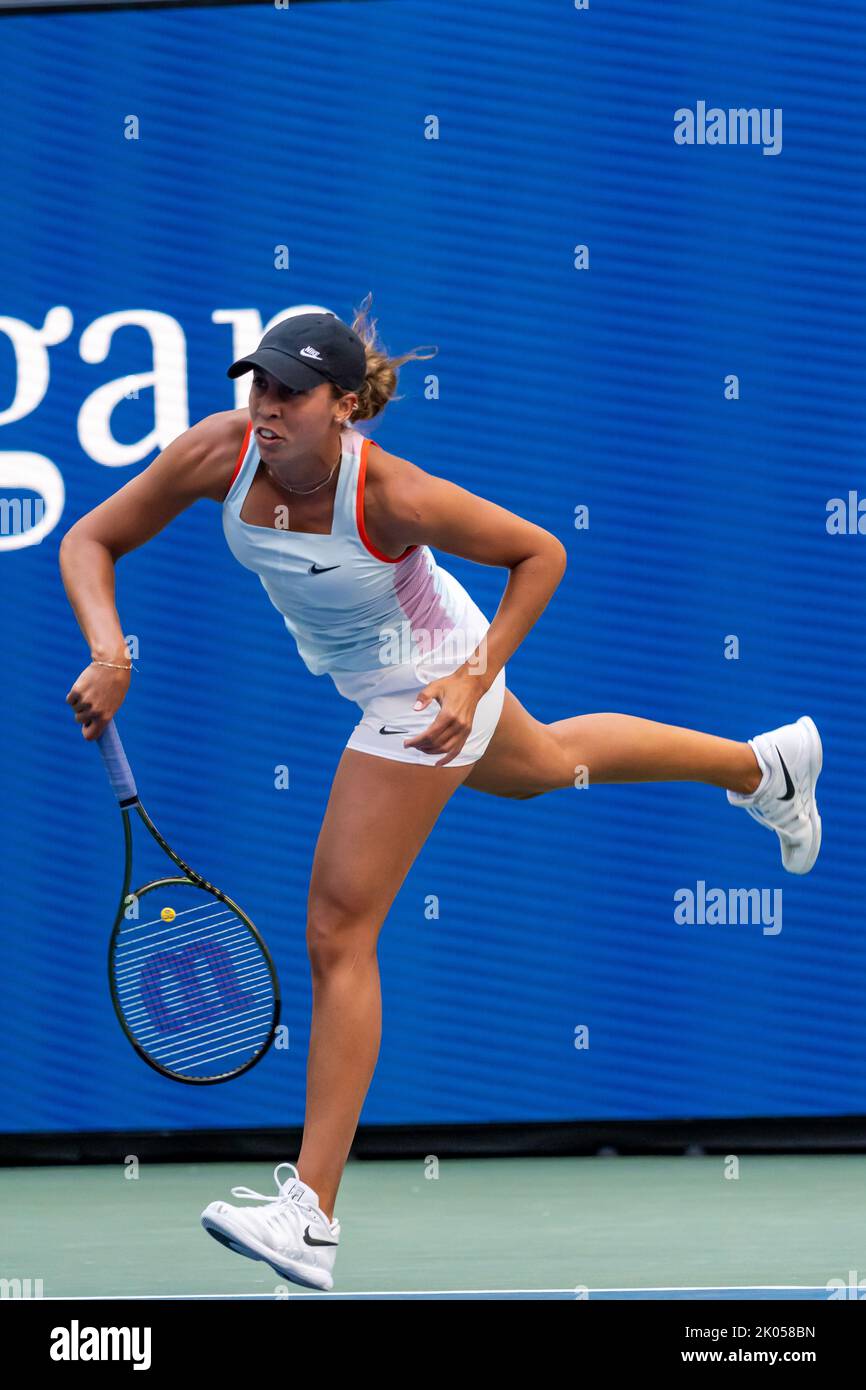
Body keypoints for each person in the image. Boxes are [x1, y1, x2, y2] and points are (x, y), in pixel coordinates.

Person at [59, 297, 823, 1292]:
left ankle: (310, 1213)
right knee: (545, 766)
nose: (267, 405)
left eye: (291, 391)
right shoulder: (217, 454)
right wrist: (110, 649)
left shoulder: (392, 494)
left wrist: (470, 678)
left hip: (424, 683)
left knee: (338, 925)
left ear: (341, 406)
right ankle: (762, 767)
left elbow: (540, 552)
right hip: (393, 667)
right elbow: (89, 540)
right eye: (259, 383)